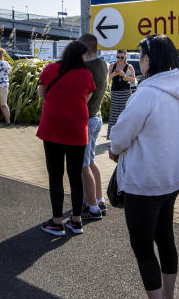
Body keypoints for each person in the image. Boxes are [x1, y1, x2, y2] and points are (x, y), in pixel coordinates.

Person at [109, 35, 179, 299]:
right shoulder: (178, 88)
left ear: (149, 59)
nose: (139, 61)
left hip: (145, 183)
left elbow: (119, 138)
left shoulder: (146, 94)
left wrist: (115, 150)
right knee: (165, 238)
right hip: (171, 179)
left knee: (143, 248)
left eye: (141, 55)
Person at [36, 41, 95, 236]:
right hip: (77, 130)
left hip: (53, 128)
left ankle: (57, 222)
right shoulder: (86, 75)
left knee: (55, 176)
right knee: (75, 176)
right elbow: (86, 97)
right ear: (81, 56)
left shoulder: (51, 69)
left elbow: (42, 93)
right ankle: (76, 221)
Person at [77, 34, 109, 221]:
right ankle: (99, 199)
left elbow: (81, 96)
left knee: (83, 167)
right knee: (91, 161)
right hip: (97, 118)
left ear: (85, 50)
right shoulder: (103, 64)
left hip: (87, 120)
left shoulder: (87, 68)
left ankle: (92, 207)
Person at [107, 50, 137, 138]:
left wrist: (124, 76)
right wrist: (113, 74)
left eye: (121, 57)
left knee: (125, 114)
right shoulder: (112, 65)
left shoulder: (129, 66)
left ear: (125, 57)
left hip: (125, 92)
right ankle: (112, 136)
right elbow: (107, 80)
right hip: (115, 92)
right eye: (118, 57)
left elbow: (133, 80)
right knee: (114, 114)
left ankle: (125, 136)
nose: (119, 59)